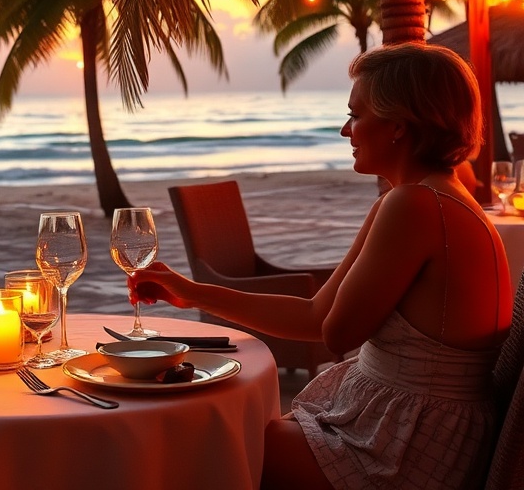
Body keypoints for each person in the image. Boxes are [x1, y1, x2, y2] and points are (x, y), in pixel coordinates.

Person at [129, 43, 512, 490]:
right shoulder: (420, 196)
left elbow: (337, 334)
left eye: (356, 115)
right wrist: (192, 291)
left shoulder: (415, 206)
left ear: (398, 126)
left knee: (203, 441)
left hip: (410, 443)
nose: (345, 129)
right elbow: (315, 316)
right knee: (218, 431)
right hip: (404, 424)